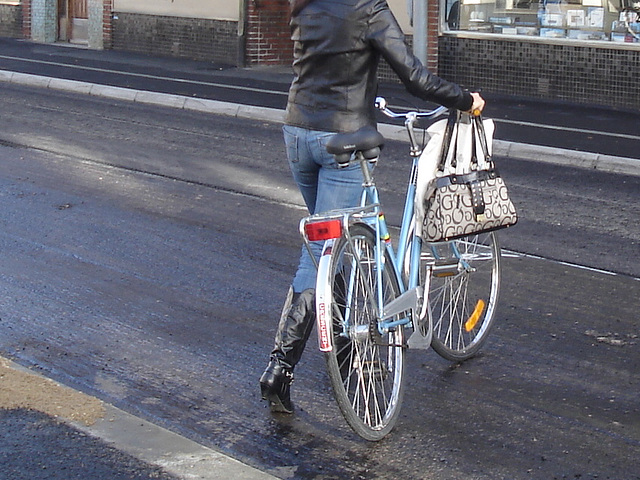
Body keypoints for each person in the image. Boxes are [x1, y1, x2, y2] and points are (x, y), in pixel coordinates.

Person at [259, 0, 485, 414]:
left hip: (298, 133)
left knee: (329, 250)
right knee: (319, 261)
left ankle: (348, 362)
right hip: (344, 141)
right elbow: (413, 76)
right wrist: (463, 98)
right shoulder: (369, 8)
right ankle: (280, 366)